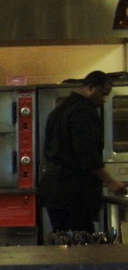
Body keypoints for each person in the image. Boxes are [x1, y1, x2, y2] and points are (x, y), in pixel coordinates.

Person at [38, 70, 128, 233]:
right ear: (90, 88)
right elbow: (87, 154)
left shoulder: (59, 109)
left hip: (53, 189)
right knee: (82, 241)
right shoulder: (84, 112)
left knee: (63, 238)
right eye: (102, 93)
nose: (103, 99)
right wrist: (110, 181)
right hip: (74, 192)